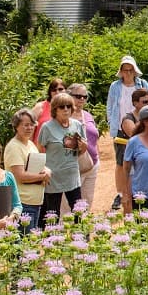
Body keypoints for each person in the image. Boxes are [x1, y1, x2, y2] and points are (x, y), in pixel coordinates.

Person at [36, 92, 86, 224]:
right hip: (54, 178)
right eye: (62, 107)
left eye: (68, 106)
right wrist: (44, 169)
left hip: (72, 175)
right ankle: (51, 242)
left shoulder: (77, 125)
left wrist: (83, 147)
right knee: (52, 214)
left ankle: (81, 240)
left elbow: (81, 151)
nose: (65, 109)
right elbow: (40, 150)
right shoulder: (47, 127)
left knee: (79, 212)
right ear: (55, 109)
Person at [4, 108, 50, 229]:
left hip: (34, 203)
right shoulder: (14, 147)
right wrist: (42, 176)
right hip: (23, 203)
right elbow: (20, 176)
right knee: (25, 243)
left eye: (31, 124)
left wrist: (47, 171)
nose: (29, 128)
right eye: (25, 125)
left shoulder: (30, 144)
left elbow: (39, 165)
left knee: (31, 242)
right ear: (16, 126)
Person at [105, 56, 148, 161]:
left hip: (140, 128)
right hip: (120, 130)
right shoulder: (115, 86)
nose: (128, 73)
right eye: (125, 70)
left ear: (135, 71)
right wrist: (111, 122)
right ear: (121, 71)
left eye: (131, 70)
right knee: (122, 162)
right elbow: (110, 106)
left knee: (141, 160)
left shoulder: (143, 84)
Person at [67, 83, 103, 208]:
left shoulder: (87, 115)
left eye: (84, 96)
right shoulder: (65, 117)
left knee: (86, 205)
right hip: (72, 168)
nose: (81, 99)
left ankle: (83, 228)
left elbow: (94, 137)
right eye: (78, 96)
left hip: (91, 165)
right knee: (68, 207)